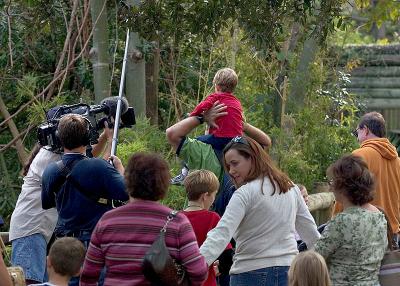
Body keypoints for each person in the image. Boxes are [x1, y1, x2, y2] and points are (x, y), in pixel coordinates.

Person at [199, 135, 320, 286]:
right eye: (228, 166)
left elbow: (221, 233)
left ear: (252, 158)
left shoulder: (244, 193)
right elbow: (311, 234)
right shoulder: (291, 188)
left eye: (235, 163)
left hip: (249, 274)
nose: (231, 171)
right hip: (289, 273)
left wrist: (196, 267)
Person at [80, 152, 208, 285]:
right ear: (163, 183)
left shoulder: (107, 221)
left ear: (127, 181)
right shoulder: (177, 223)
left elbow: (88, 275)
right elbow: (198, 272)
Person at [10, 120, 113, 285]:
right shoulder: (49, 158)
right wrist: (108, 144)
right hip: (31, 229)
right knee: (30, 281)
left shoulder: (55, 154)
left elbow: (88, 158)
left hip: (39, 229)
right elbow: (90, 172)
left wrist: (105, 137)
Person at [41, 114, 128, 284]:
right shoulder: (99, 166)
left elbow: (47, 203)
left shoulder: (50, 171)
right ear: (88, 138)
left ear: (60, 139)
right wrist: (120, 170)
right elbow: (125, 192)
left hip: (64, 243)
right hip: (95, 241)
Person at [166, 101, 271, 217]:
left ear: (210, 126)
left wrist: (202, 117)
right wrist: (243, 124)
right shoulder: (244, 151)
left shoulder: (200, 150)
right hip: (234, 224)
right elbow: (265, 142)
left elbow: (172, 133)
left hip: (198, 222)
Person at [314, 154, 387, 285]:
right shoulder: (380, 217)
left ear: (343, 186)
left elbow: (314, 258)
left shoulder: (341, 222)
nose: (330, 188)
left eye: (332, 182)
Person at [335, 112, 400, 239]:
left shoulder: (359, 156)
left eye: (357, 132)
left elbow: (344, 192)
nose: (357, 138)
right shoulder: (397, 161)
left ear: (365, 130)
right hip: (391, 233)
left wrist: (335, 220)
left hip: (364, 231)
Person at [172, 68, 243, 184]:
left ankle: (184, 172)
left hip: (220, 138)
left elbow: (202, 106)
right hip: (235, 140)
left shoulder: (216, 97)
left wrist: (194, 115)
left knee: (196, 141)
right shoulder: (236, 102)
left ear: (217, 86)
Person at [182, 169, 233, 286]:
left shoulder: (175, 218)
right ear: (205, 196)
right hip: (205, 281)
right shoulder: (213, 218)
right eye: (214, 194)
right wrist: (219, 268)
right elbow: (227, 259)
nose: (214, 199)